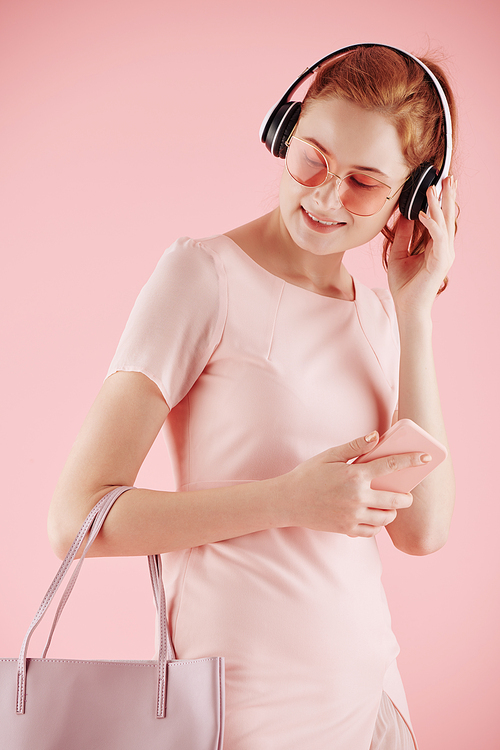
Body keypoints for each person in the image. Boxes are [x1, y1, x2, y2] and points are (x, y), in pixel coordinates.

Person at [48, 43, 458, 749]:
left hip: (372, 710)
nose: (328, 197)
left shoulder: (384, 315)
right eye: (312, 159)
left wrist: (414, 315)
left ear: (412, 198)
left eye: (366, 183)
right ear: (282, 135)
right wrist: (289, 500)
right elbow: (77, 519)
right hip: (243, 720)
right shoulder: (202, 276)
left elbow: (422, 530)